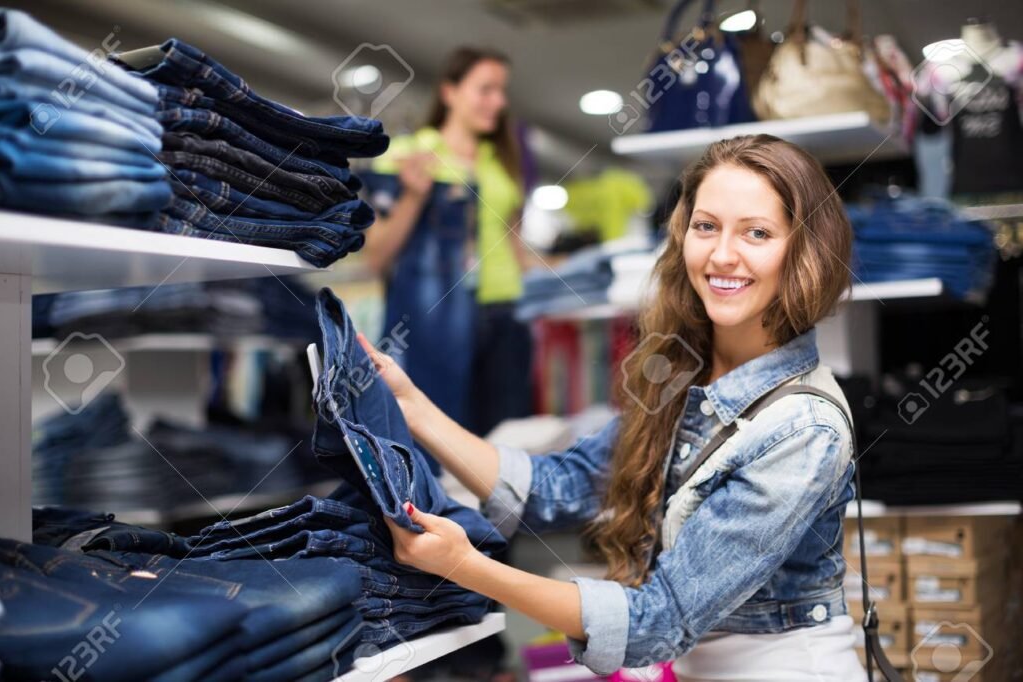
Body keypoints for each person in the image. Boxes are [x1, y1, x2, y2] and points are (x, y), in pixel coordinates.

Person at [359, 134, 871, 680]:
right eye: (706, 226)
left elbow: (657, 621)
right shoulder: (685, 374)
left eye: (757, 233)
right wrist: (411, 406)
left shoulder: (803, 427)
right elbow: (561, 486)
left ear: (806, 250)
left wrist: (465, 567)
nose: (722, 254)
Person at [363, 46, 535, 438]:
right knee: (440, 434)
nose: (499, 102)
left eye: (502, 91)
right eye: (486, 89)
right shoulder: (410, 154)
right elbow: (377, 256)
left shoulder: (502, 160)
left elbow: (515, 246)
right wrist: (414, 195)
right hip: (440, 318)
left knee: (506, 437)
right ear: (449, 92)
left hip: (507, 316)